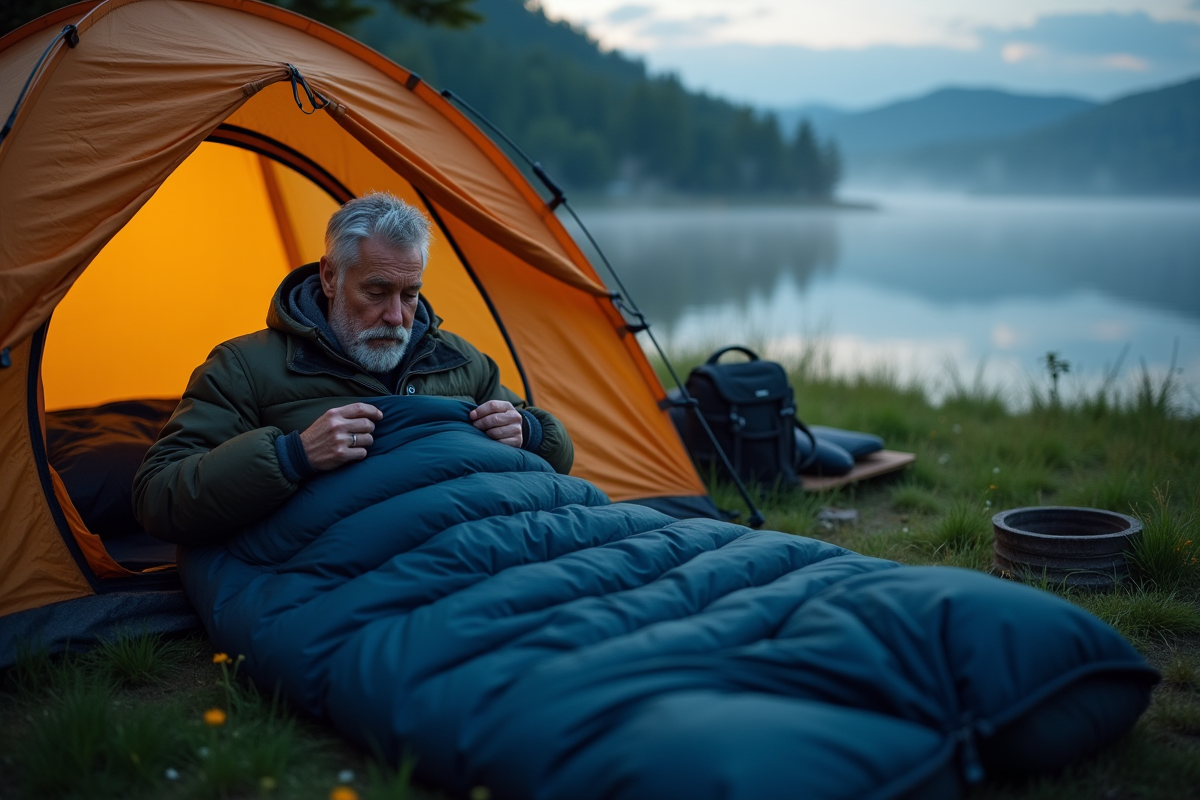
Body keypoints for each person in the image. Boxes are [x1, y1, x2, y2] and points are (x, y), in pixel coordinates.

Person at [133, 192, 572, 546]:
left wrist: (529, 433)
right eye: (376, 292)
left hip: (473, 545)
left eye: (410, 293)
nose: (397, 316)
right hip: (349, 564)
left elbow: (559, 457)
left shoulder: (459, 360)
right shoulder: (243, 367)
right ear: (330, 277)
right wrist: (292, 456)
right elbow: (158, 498)